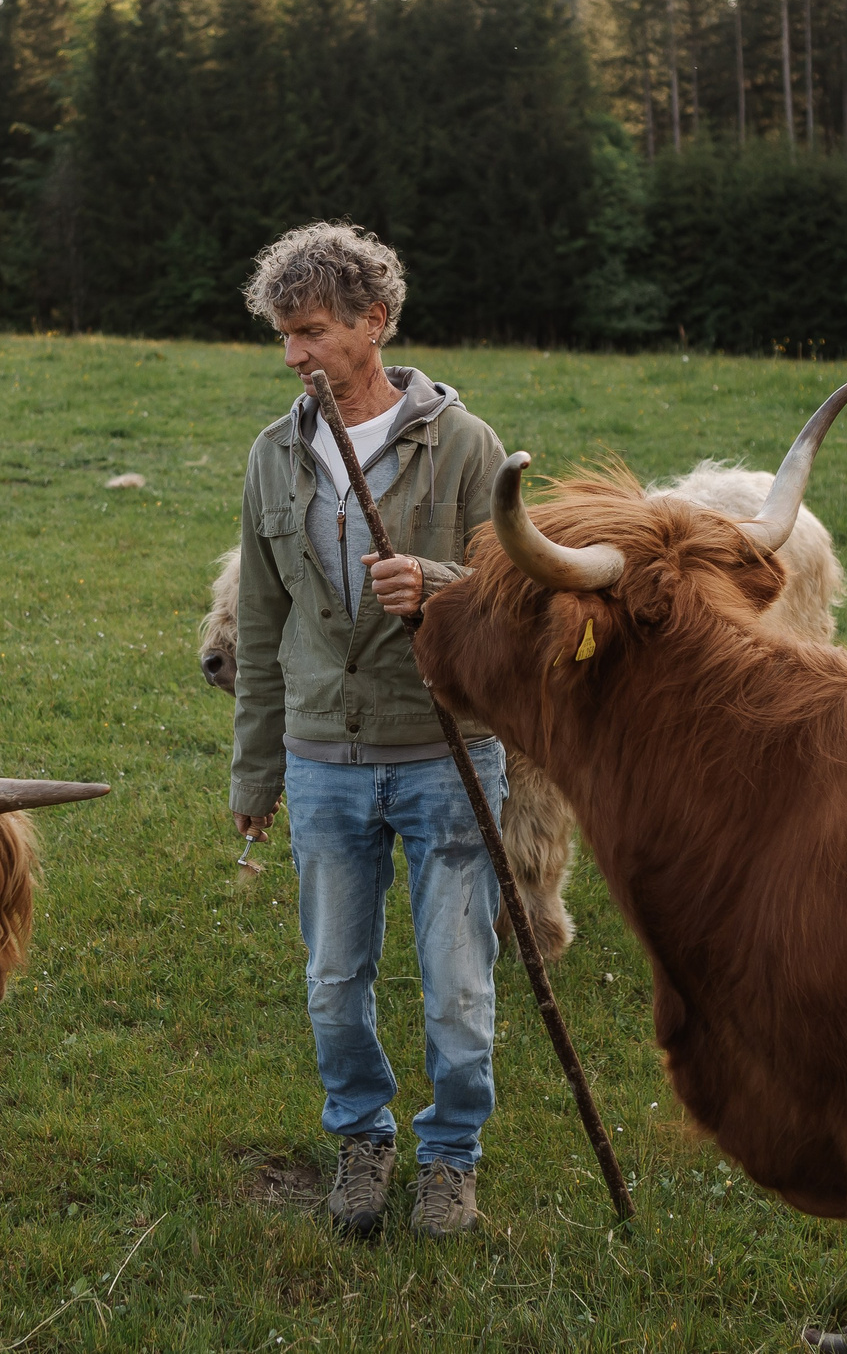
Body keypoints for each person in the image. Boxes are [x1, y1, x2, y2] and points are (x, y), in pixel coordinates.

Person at [228, 223, 510, 1239]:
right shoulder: (273, 456)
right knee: (334, 985)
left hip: (446, 755)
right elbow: (260, 629)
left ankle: (450, 1157)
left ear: (373, 323)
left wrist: (433, 583)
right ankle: (361, 1139)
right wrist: (255, 776)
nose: (297, 356)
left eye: (310, 333)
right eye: (284, 338)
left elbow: (520, 600)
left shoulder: (466, 446)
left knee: (456, 988)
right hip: (321, 761)